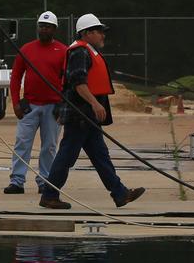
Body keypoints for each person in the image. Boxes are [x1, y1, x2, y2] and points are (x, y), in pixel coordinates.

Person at [39, 14, 145, 210]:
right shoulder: (80, 52)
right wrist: (96, 104)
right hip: (80, 115)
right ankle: (49, 194)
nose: (102, 35)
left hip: (88, 117)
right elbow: (78, 82)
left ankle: (120, 193)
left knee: (100, 156)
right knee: (67, 156)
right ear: (87, 33)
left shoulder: (88, 51)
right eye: (99, 31)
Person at [4, 11, 66, 195]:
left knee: (49, 146)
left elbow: (68, 80)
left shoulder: (63, 51)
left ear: (54, 29)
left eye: (47, 26)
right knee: (22, 142)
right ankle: (17, 181)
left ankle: (45, 181)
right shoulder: (27, 49)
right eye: (41, 26)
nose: (44, 29)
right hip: (30, 106)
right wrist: (15, 102)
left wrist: (63, 104)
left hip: (53, 107)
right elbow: (16, 77)